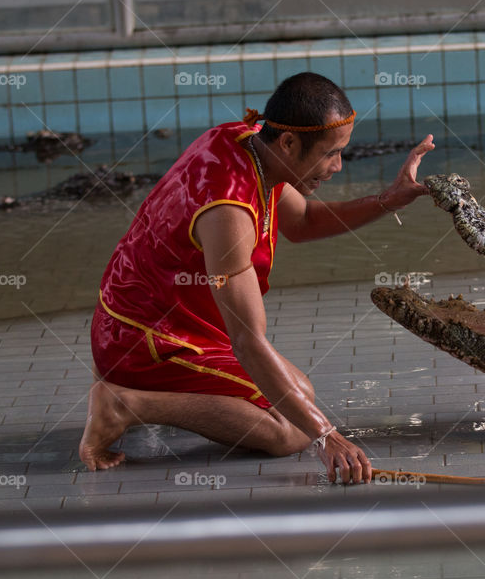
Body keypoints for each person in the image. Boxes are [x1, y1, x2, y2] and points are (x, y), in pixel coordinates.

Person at [79, 72, 435, 484]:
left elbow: (301, 221)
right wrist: (328, 437)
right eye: (329, 154)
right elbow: (248, 341)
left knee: (300, 393)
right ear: (288, 143)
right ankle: (124, 404)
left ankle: (133, 389)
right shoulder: (228, 213)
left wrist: (388, 200)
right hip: (148, 342)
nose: (337, 166)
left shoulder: (249, 142)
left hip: (144, 320)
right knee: (293, 431)